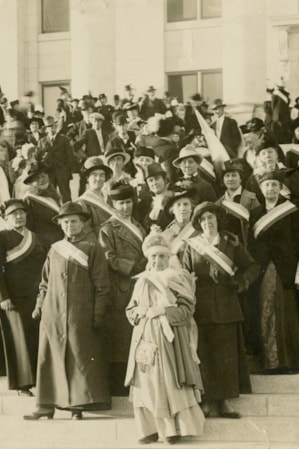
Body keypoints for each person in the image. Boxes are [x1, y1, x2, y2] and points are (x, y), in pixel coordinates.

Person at [24, 202, 111, 420]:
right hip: (52, 313)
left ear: (82, 223)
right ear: (61, 225)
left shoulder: (93, 248)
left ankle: (77, 406)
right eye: (66, 222)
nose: (70, 225)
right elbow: (44, 283)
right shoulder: (55, 250)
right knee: (49, 358)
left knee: (78, 357)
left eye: (74, 221)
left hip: (79, 313)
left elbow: (102, 285)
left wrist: (97, 314)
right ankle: (45, 406)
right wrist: (39, 305)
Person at [125, 233, 205, 445]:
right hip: (144, 339)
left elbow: (187, 309)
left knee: (168, 382)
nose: (157, 261)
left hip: (170, 340)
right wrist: (138, 313)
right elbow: (130, 308)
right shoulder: (141, 281)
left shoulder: (176, 278)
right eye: (153, 257)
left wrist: (163, 311)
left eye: (161, 256)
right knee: (146, 385)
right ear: (148, 259)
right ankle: (148, 430)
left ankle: (172, 430)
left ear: (168, 257)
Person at [183, 202, 259, 418]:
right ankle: (206, 401)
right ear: (198, 223)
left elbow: (253, 267)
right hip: (202, 308)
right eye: (203, 219)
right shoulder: (191, 246)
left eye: (211, 218)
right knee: (203, 355)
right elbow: (184, 274)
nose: (208, 222)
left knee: (225, 355)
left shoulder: (231, 243)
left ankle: (225, 401)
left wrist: (241, 282)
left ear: (218, 221)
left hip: (227, 305)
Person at [249, 171, 299, 373]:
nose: (270, 189)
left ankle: (287, 361)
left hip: (286, 268)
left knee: (285, 312)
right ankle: (270, 361)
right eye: (267, 185)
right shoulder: (256, 213)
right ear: (261, 189)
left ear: (280, 188)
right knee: (264, 311)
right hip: (262, 268)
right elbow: (252, 244)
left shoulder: (293, 212)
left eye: (274, 185)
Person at [99, 183, 147, 396]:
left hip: (140, 284)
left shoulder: (139, 225)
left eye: (128, 202)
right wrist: (132, 266)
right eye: (121, 203)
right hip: (122, 286)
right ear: (113, 204)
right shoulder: (108, 228)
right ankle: (120, 384)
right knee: (121, 337)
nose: (125, 207)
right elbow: (107, 257)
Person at [0, 200, 45, 396]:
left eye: (21, 213)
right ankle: (22, 384)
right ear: (5, 218)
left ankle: (38, 380)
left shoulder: (34, 237)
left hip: (36, 296)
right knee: (18, 340)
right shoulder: (2, 237)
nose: (19, 216)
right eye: (13, 214)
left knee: (36, 338)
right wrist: (3, 297)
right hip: (14, 297)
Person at [216, 159, 259, 248]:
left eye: (234, 175)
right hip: (226, 247)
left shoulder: (251, 199)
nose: (230, 179)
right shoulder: (218, 203)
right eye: (227, 176)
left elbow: (257, 225)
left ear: (241, 179)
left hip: (246, 245)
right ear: (223, 179)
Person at [23, 164, 63, 251]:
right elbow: (28, 228)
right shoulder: (29, 200)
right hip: (44, 246)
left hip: (60, 241)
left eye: (43, 176)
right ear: (30, 183)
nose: (41, 180)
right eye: (37, 178)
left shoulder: (52, 194)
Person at [36, 116, 74, 202]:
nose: (51, 128)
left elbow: (70, 156)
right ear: (45, 128)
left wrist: (67, 170)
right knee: (50, 194)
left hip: (62, 170)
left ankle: (69, 210)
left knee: (65, 194)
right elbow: (38, 157)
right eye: (48, 126)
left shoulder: (63, 139)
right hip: (49, 171)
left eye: (52, 125)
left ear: (56, 125)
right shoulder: (42, 141)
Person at [76, 156, 113, 239]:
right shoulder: (82, 203)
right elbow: (86, 232)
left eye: (102, 175)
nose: (98, 178)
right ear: (87, 178)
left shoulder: (108, 198)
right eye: (94, 175)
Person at [163, 185, 198, 266]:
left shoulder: (199, 229)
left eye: (186, 204)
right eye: (178, 205)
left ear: (191, 208)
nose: (182, 208)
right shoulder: (166, 234)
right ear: (173, 210)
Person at [137, 163, 173, 232]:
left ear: (164, 180)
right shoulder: (145, 204)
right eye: (150, 180)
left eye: (157, 178)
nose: (154, 183)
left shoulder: (173, 200)